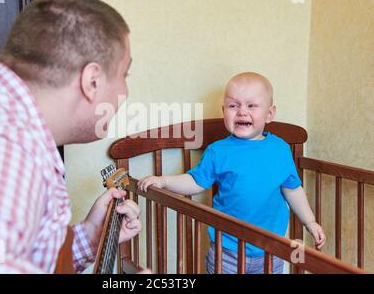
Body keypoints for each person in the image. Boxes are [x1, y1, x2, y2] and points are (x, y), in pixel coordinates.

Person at [0, 0, 142, 273]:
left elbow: (4, 253)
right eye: (124, 75)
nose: (125, 91)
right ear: (92, 81)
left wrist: (90, 235)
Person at [138, 72, 326, 274]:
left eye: (252, 105)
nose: (242, 112)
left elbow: (293, 189)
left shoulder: (280, 149)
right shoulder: (218, 151)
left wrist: (310, 221)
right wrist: (164, 181)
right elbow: (196, 181)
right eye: (233, 106)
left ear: (269, 114)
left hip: (272, 250)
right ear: (224, 112)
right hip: (226, 250)